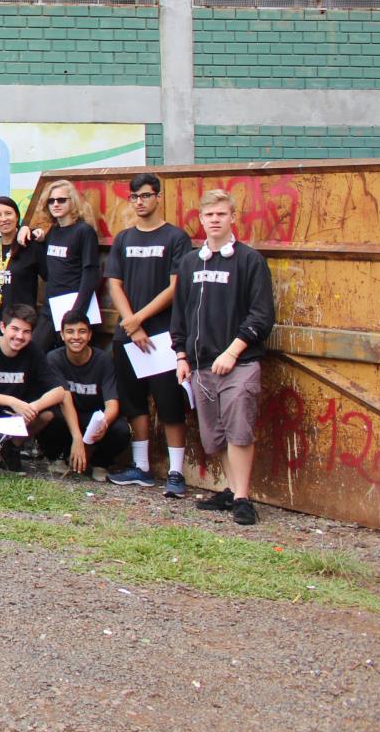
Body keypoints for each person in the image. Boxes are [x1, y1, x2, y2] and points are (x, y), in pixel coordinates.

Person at [171, 187, 276, 527]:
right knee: (215, 435)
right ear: (200, 220)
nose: (215, 220)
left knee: (239, 432)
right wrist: (181, 355)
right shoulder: (189, 263)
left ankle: (244, 498)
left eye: (221, 214)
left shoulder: (249, 261)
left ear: (233, 218)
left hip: (239, 365)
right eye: (208, 215)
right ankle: (231, 490)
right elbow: (181, 313)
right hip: (201, 366)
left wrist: (233, 351)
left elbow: (261, 316)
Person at [103, 173, 196, 495]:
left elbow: (176, 286)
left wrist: (140, 319)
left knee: (170, 405)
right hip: (127, 336)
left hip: (162, 337)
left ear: (158, 197)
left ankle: (175, 473)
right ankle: (141, 468)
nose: (139, 202)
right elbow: (114, 283)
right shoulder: (124, 239)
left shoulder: (175, 238)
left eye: (145, 195)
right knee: (133, 403)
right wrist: (130, 323)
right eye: (134, 197)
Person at [28, 315, 130, 481]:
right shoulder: (54, 358)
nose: (76, 337)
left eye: (82, 331)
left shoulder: (103, 360)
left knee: (121, 429)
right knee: (50, 417)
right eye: (70, 332)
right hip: (67, 415)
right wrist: (77, 438)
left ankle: (100, 463)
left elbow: (112, 403)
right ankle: (57, 456)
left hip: (92, 418)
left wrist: (104, 423)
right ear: (62, 335)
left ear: (90, 335)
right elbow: (63, 399)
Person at [0, 305, 56, 472]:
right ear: (3, 327)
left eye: (26, 332)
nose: (20, 336)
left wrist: (32, 408)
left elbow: (58, 390)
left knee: (47, 414)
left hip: (17, 411)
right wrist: (11, 401)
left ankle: (11, 448)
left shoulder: (33, 351)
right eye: (15, 329)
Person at [28, 179, 100, 351]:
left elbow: (90, 273)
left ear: (72, 201)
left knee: (71, 361)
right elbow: (47, 271)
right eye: (51, 201)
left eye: (61, 200)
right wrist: (32, 235)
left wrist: (77, 312)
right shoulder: (53, 231)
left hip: (75, 307)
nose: (55, 204)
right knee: (36, 352)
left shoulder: (84, 231)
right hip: (50, 308)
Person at [0, 195, 41, 333]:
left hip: (21, 327)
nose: (4, 219)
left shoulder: (31, 246)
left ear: (17, 217)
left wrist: (30, 230)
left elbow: (51, 278)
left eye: (8, 213)